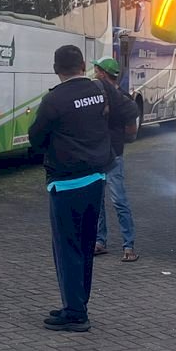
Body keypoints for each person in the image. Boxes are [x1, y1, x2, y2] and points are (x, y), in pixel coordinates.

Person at [29, 44, 113, 332]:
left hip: (66, 184)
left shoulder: (54, 100)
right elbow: (122, 115)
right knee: (86, 245)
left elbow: (35, 137)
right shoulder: (98, 91)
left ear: (56, 69)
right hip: (96, 179)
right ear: (83, 66)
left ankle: (75, 312)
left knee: (67, 248)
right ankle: (79, 303)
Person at [90, 57, 139, 262]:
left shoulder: (118, 98)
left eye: (96, 70)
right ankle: (114, 244)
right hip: (112, 153)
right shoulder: (124, 97)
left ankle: (120, 244)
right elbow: (132, 130)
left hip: (106, 154)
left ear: (102, 73)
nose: (94, 73)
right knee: (109, 200)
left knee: (114, 200)